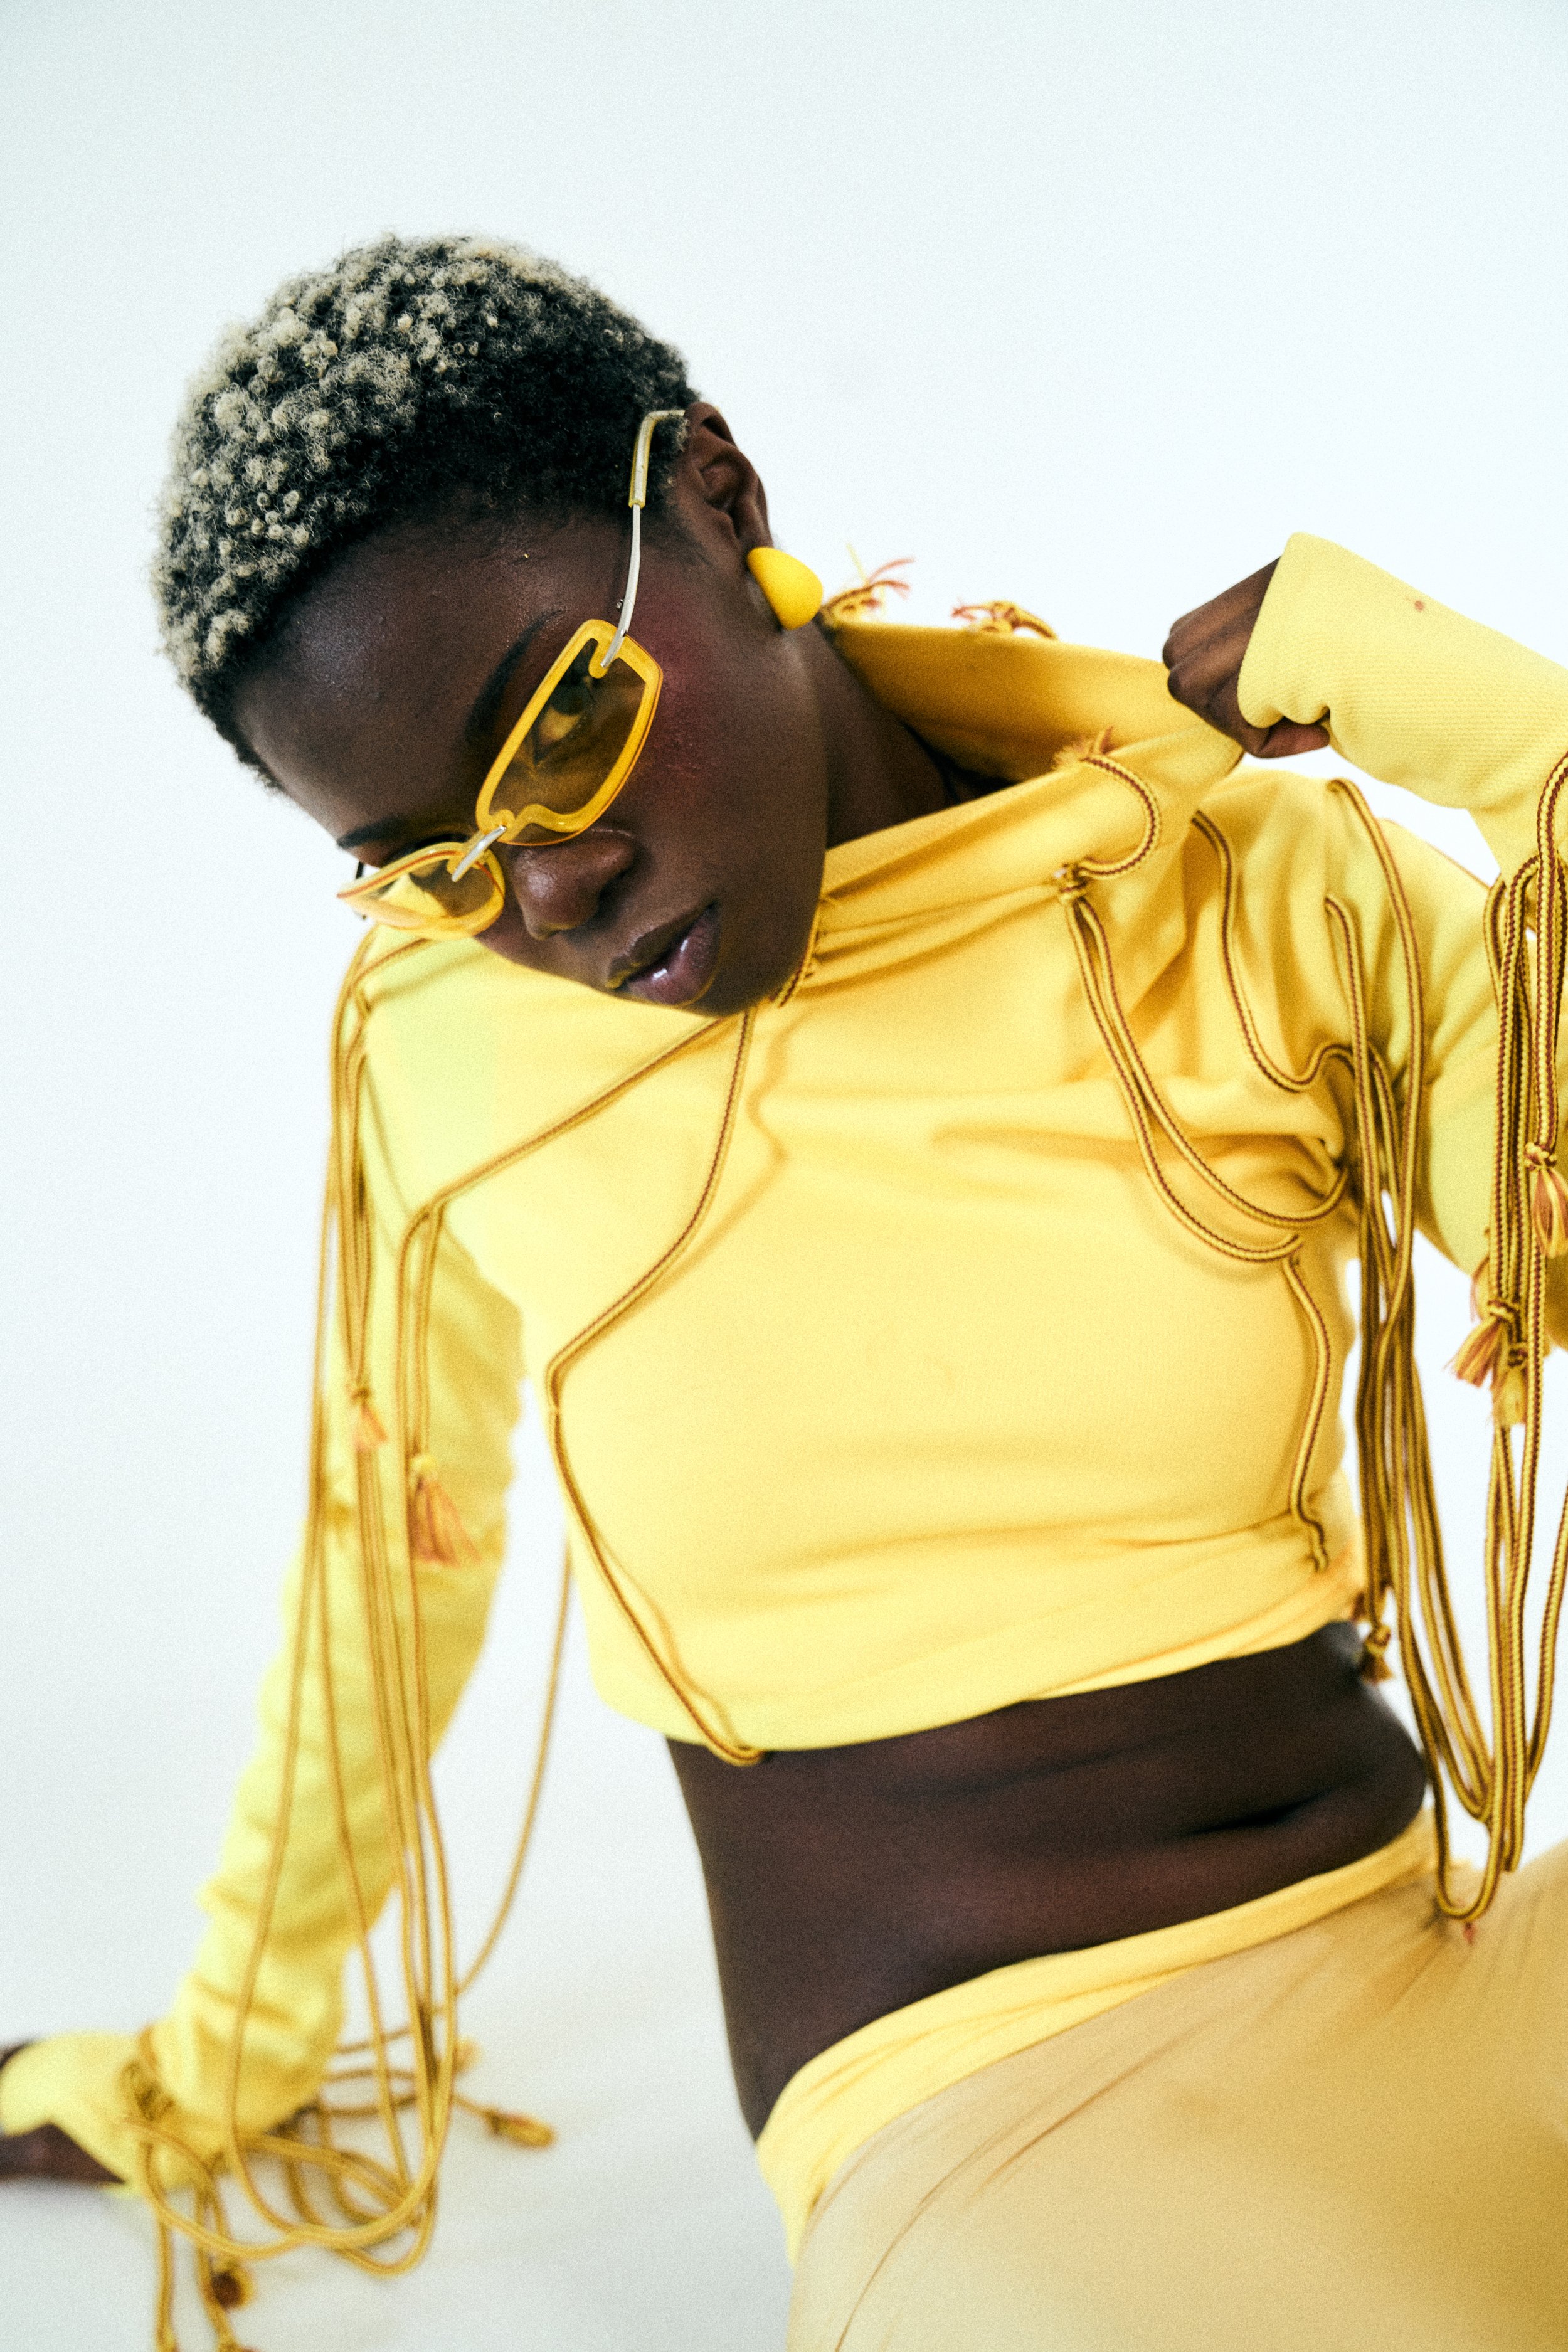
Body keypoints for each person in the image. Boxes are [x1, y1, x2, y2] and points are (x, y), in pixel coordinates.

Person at [3, 232, 1566, 2351]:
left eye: (558, 723)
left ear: (719, 498)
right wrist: (222, 2057)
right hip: (1004, 2121)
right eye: (434, 861)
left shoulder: (1228, 892)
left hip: (1462, 1954)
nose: (550, 884)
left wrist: (1528, 748)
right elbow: (383, 1568)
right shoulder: (444, 1047)